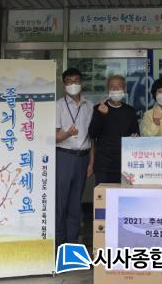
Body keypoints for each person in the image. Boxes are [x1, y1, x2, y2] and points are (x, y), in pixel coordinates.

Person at [55, 68, 94, 249]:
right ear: (64, 85)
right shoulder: (58, 105)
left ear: (81, 83)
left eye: (76, 80)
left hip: (83, 159)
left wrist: (91, 162)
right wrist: (67, 134)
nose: (73, 84)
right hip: (64, 157)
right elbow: (54, 136)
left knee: (75, 203)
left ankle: (72, 245)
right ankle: (58, 244)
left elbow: (92, 138)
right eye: (69, 81)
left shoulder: (89, 106)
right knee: (60, 202)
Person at [88, 75, 140, 184]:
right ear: (107, 89)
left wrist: (134, 137)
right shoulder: (98, 109)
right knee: (104, 194)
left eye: (119, 86)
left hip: (125, 165)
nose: (116, 89)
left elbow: (136, 135)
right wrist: (101, 115)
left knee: (125, 194)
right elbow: (92, 134)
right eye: (112, 86)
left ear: (124, 89)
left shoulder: (130, 111)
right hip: (103, 166)